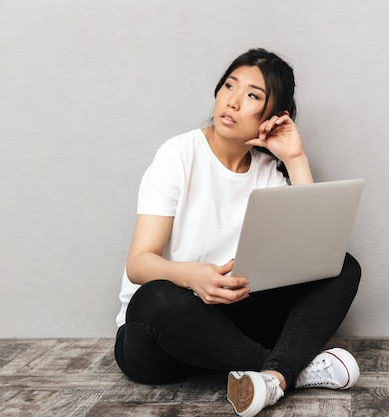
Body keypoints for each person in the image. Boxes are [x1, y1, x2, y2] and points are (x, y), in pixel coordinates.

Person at [114, 48, 362, 417]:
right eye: (229, 85)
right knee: (152, 300)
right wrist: (192, 277)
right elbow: (138, 263)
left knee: (341, 265)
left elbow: (313, 253)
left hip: (232, 325)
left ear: (273, 116)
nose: (231, 100)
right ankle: (288, 370)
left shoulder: (266, 171)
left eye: (252, 96)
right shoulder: (178, 155)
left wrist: (295, 158)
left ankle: (270, 376)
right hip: (161, 338)